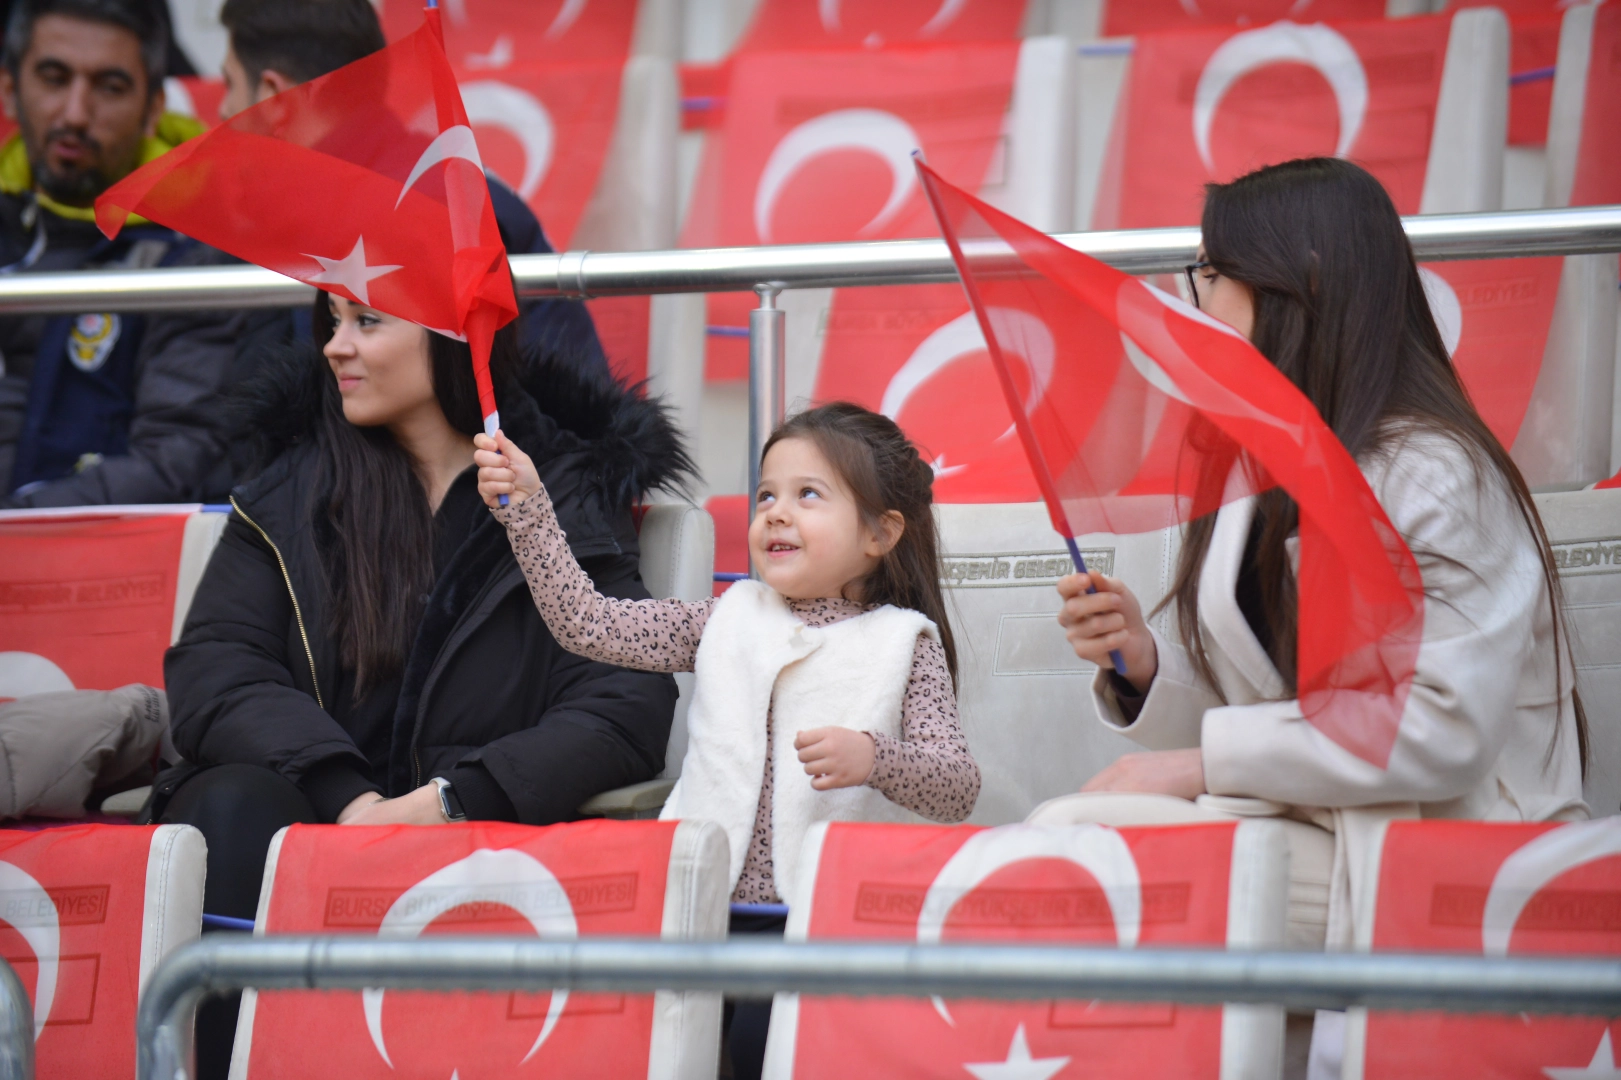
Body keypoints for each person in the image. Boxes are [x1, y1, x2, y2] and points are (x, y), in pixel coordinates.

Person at [1043, 157, 1588, 1077]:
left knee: (1070, 852)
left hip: (1443, 857)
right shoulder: (1273, 458)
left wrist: (1189, 765)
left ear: (1293, 289)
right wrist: (1140, 664)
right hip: (1328, 834)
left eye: (1209, 277)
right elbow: (1269, 705)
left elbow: (1435, 729)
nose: (1196, 304)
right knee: (1070, 852)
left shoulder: (1431, 472)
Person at [152, 292, 690, 1078]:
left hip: (485, 839)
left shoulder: (552, 491)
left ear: (450, 340)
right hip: (310, 821)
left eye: (367, 322)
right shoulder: (287, 489)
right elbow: (216, 672)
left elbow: (622, 703)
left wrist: (452, 800)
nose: (336, 347)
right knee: (228, 802)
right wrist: (350, 800)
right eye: (330, 322)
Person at [476, 401, 981, 1080]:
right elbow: (585, 624)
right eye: (766, 493)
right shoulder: (725, 616)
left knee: (758, 1056)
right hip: (691, 909)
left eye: (808, 495)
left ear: (880, 532)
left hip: (818, 929)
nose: (774, 511)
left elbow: (955, 788)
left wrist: (874, 758)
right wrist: (530, 509)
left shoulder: (901, 644)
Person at [215, 0, 610, 382]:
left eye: (230, 83)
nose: (221, 109)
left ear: (272, 98)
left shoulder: (428, 207)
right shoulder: (316, 210)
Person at [0, 0, 249, 507]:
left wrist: (19, 528)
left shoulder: (199, 250)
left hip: (73, 566)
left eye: (109, 87)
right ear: (9, 88)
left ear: (155, 108)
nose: (75, 112)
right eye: (53, 77)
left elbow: (174, 459)